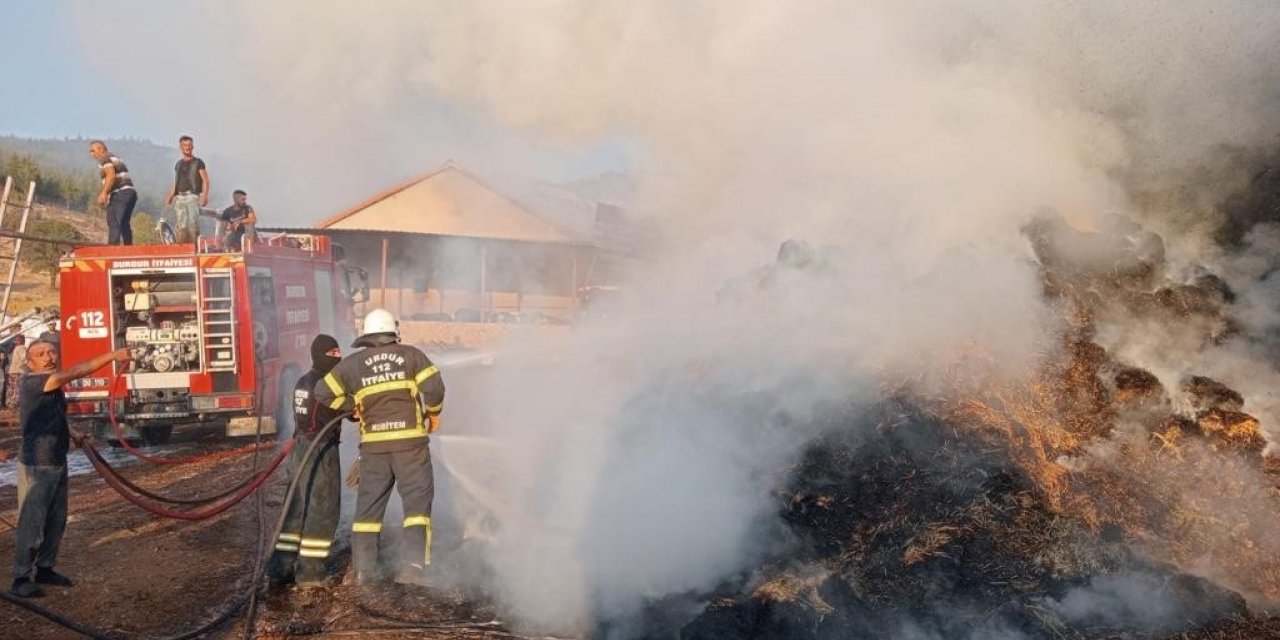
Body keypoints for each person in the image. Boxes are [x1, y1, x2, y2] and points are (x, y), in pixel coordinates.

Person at [313, 309, 445, 587]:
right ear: (392, 333)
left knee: (367, 512)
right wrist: (433, 413)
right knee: (417, 506)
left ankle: (365, 571)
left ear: (367, 335)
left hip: (374, 449)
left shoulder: (352, 364)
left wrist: (352, 408)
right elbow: (434, 388)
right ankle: (412, 569)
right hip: (411, 446)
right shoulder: (412, 355)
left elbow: (322, 392)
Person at [10, 341, 131, 598]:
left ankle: (44, 568)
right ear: (29, 362)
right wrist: (111, 355)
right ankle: (21, 578)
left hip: (56, 459)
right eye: (40, 355)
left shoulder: (52, 386)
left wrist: (73, 433)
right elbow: (77, 372)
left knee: (56, 521)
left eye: (51, 352)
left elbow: (53, 415)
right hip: (37, 464)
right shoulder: (34, 381)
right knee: (32, 525)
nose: (48, 357)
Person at [266, 335, 345, 588]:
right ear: (322, 354)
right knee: (322, 511)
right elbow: (345, 410)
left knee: (295, 509)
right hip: (321, 451)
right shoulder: (325, 383)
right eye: (334, 353)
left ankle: (281, 567)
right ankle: (311, 574)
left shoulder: (303, 380)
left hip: (300, 448)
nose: (338, 357)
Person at [163, 135, 210, 244]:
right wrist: (171, 195)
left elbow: (205, 180)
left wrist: (204, 196)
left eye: (189, 145)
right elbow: (176, 181)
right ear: (180, 147)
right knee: (181, 224)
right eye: (185, 145)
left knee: (192, 223)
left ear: (192, 146)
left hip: (192, 196)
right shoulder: (178, 164)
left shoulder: (198, 162)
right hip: (180, 197)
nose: (188, 147)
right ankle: (183, 248)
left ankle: (193, 247)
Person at [88, 140, 136, 246]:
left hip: (121, 192)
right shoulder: (114, 157)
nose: (91, 154)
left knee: (113, 220)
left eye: (92, 150)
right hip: (130, 192)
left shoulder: (104, 158)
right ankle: (129, 247)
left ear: (101, 149)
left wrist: (104, 193)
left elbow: (111, 175)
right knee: (123, 222)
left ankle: (113, 249)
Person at [6, 335, 27, 409]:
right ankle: (17, 404)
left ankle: (11, 403)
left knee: (13, 388)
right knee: (18, 387)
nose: (15, 341)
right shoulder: (22, 348)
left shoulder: (17, 348)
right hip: (19, 371)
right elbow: (24, 359)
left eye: (17, 340)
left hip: (13, 370)